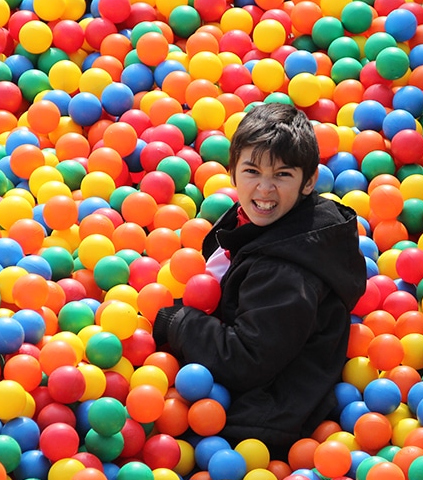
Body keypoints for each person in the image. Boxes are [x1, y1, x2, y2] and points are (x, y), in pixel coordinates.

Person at [152, 102, 367, 454]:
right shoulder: (266, 223)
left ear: (308, 182)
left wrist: (178, 323)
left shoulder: (286, 270)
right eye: (252, 171)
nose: (265, 189)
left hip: (261, 418)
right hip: (229, 377)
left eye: (282, 175)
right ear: (232, 172)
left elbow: (247, 361)